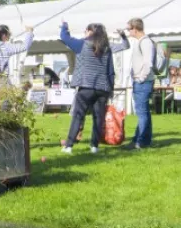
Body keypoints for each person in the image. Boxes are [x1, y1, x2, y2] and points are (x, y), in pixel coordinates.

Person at [59, 22, 115, 154]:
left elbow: (64, 37)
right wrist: (111, 89)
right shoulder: (106, 48)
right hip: (103, 87)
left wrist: (65, 26)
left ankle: (69, 146)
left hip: (86, 86)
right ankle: (94, 146)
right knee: (98, 118)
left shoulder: (82, 44)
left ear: (90, 32)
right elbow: (111, 71)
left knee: (78, 116)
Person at [125, 18, 155, 149]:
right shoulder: (141, 42)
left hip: (143, 82)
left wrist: (140, 78)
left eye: (129, 29)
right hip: (142, 81)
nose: (128, 31)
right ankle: (143, 139)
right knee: (145, 113)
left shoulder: (145, 42)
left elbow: (148, 63)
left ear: (135, 29)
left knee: (142, 113)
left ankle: (140, 141)